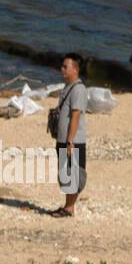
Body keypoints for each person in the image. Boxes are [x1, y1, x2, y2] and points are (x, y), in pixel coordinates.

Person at [52, 52, 88, 218]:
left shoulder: (78, 89)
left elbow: (75, 115)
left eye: (66, 66)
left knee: (73, 173)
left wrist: (70, 140)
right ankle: (68, 205)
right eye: (62, 66)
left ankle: (70, 207)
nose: (62, 69)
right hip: (64, 138)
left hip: (73, 140)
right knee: (65, 173)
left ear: (76, 69)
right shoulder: (68, 87)